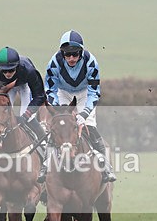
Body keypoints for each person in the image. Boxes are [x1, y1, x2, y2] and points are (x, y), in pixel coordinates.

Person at [42, 30, 115, 183]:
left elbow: (94, 93)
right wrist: (58, 110)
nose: (71, 58)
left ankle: (105, 166)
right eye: (67, 54)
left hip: (85, 93)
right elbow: (50, 90)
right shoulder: (54, 63)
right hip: (63, 93)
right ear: (62, 53)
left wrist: (83, 115)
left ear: (81, 52)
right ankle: (45, 164)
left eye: (75, 54)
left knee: (89, 125)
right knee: (60, 125)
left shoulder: (91, 62)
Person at [0, 46, 47, 144]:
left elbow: (40, 95)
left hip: (24, 85)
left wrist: (27, 114)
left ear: (17, 66)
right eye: (4, 71)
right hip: (5, 88)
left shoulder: (29, 70)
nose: (8, 74)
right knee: (4, 114)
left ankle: (43, 142)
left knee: (27, 117)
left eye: (11, 70)